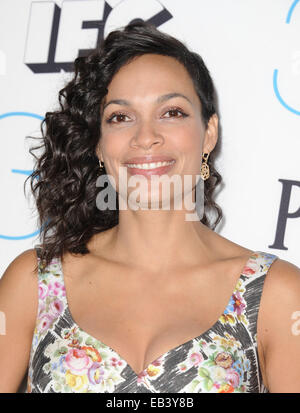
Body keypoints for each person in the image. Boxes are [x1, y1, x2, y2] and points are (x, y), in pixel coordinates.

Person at [0, 21, 299, 394]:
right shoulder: (34, 282)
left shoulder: (275, 294)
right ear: (97, 145)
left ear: (209, 132)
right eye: (120, 117)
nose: (146, 137)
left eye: (171, 112)